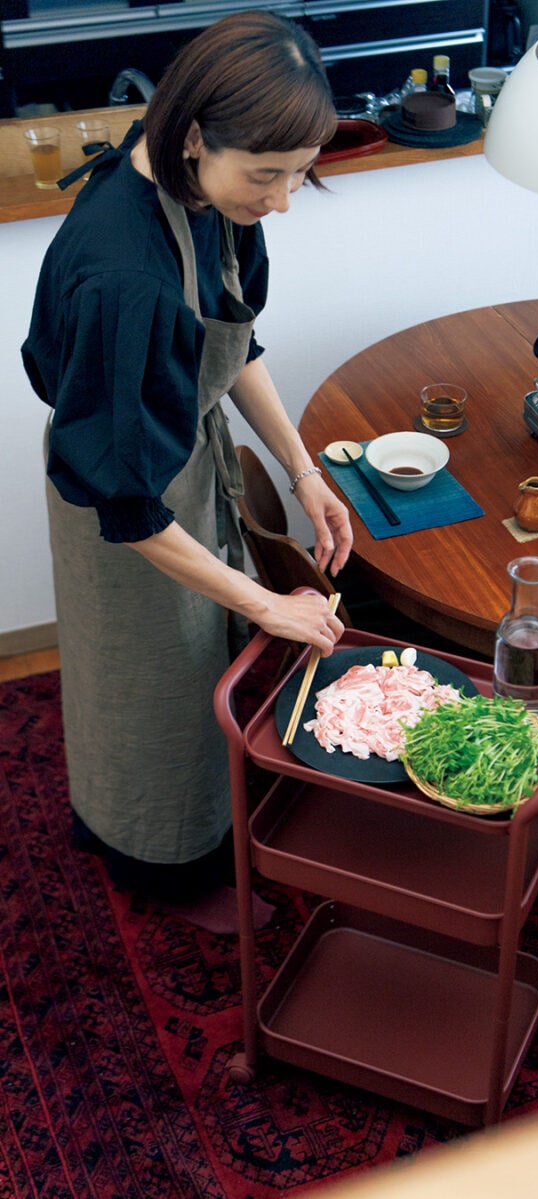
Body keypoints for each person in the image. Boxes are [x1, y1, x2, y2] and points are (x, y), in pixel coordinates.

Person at [21, 11, 352, 933]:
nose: (283, 200)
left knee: (202, 656)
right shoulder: (123, 274)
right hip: (121, 489)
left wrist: (303, 472)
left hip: (175, 455)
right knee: (151, 688)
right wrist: (267, 602)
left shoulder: (199, 185)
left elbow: (232, 337)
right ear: (199, 135)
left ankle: (207, 817)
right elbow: (126, 506)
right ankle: (162, 862)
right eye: (267, 175)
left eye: (300, 172)